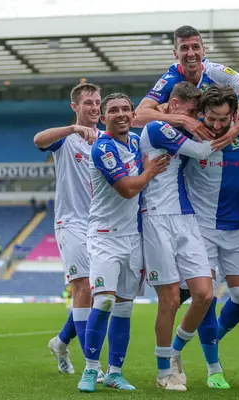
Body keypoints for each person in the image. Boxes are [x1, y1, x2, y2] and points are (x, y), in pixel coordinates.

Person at [133, 25, 239, 311]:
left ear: (203, 50)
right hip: (193, 156)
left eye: (195, 47)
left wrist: (237, 126)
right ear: (176, 53)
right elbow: (139, 115)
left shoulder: (216, 71)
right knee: (203, 289)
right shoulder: (171, 77)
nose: (190, 53)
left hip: (227, 140)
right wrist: (183, 120)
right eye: (184, 48)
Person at [77, 93, 169, 393]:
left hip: (133, 236)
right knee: (103, 299)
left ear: (132, 114)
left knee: (124, 308)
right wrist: (150, 172)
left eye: (126, 109)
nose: (121, 114)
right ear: (104, 117)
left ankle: (115, 372)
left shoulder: (136, 141)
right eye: (113, 110)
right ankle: (91, 370)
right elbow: (128, 189)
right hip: (105, 236)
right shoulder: (103, 146)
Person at [139, 82, 220, 392]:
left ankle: (174, 352)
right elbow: (200, 150)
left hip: (185, 218)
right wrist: (233, 129)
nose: (194, 120)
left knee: (204, 293)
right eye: (190, 113)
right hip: (157, 218)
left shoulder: (177, 129)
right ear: (174, 105)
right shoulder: (159, 127)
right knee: (170, 300)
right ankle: (163, 373)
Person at [178, 84, 239, 389]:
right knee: (206, 296)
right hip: (200, 230)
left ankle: (210, 338)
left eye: (222, 119)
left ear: (233, 115)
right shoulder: (190, 137)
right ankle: (214, 368)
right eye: (210, 118)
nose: (215, 125)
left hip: (237, 230)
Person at [34, 82, 102, 378]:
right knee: (84, 287)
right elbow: (38, 139)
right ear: (75, 107)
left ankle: (61, 342)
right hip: (71, 222)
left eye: (97, 102)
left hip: (102, 225)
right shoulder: (67, 140)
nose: (95, 107)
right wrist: (72, 129)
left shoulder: (108, 139)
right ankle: (93, 365)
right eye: (88, 103)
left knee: (100, 295)